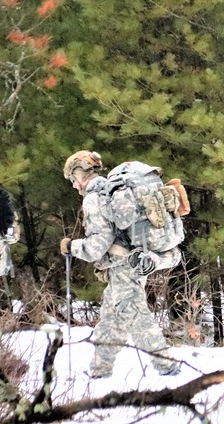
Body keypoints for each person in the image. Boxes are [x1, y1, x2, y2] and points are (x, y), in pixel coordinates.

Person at [61, 150, 181, 378]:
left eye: (72, 179)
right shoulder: (109, 190)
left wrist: (71, 247)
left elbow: (97, 245)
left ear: (79, 174)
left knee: (136, 315)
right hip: (129, 263)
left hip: (125, 265)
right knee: (111, 319)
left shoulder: (94, 198)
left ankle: (168, 368)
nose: (74, 186)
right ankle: (99, 372)